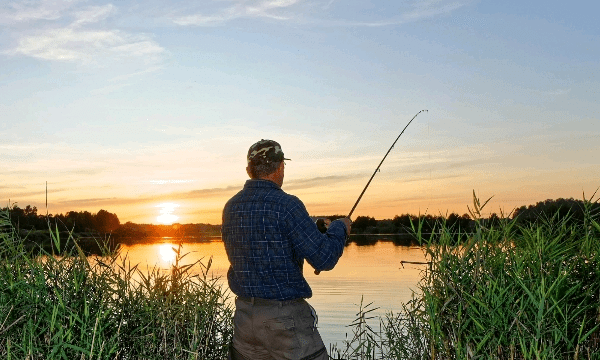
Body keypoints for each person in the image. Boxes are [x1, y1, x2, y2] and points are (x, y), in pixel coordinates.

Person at [222, 139, 352, 360]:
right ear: (281, 167)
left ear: (248, 170)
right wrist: (341, 227)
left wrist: (315, 226)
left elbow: (268, 236)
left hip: (245, 320)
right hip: (285, 322)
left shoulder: (231, 207)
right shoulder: (287, 205)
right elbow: (324, 258)